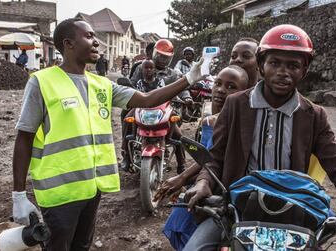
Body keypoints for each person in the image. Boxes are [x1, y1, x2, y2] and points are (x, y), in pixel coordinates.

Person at [183, 24, 336, 251]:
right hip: (236, 208)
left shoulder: (314, 115)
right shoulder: (235, 105)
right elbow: (215, 156)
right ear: (261, 66)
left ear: (304, 70)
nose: (283, 72)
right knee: (194, 248)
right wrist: (203, 182)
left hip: (294, 209)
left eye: (293, 65)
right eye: (275, 63)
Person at [11, 18, 206, 251]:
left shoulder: (101, 85)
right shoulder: (42, 82)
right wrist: (19, 194)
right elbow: (24, 138)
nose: (97, 43)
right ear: (68, 43)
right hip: (59, 195)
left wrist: (189, 79)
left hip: (92, 189)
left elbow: (146, 99)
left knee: (82, 246)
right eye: (89, 36)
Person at [155, 65, 249, 251]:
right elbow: (205, 154)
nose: (221, 90)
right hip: (204, 180)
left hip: (224, 186)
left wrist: (182, 177)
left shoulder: (244, 121)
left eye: (231, 87)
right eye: (218, 84)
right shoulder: (208, 119)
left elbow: (213, 156)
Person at [130, 39, 193, 104]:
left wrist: (187, 97)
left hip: (164, 108)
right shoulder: (142, 68)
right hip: (142, 104)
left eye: (166, 58)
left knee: (178, 114)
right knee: (126, 112)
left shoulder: (172, 74)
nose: (163, 60)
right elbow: (132, 84)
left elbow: (181, 88)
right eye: (161, 56)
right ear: (154, 54)